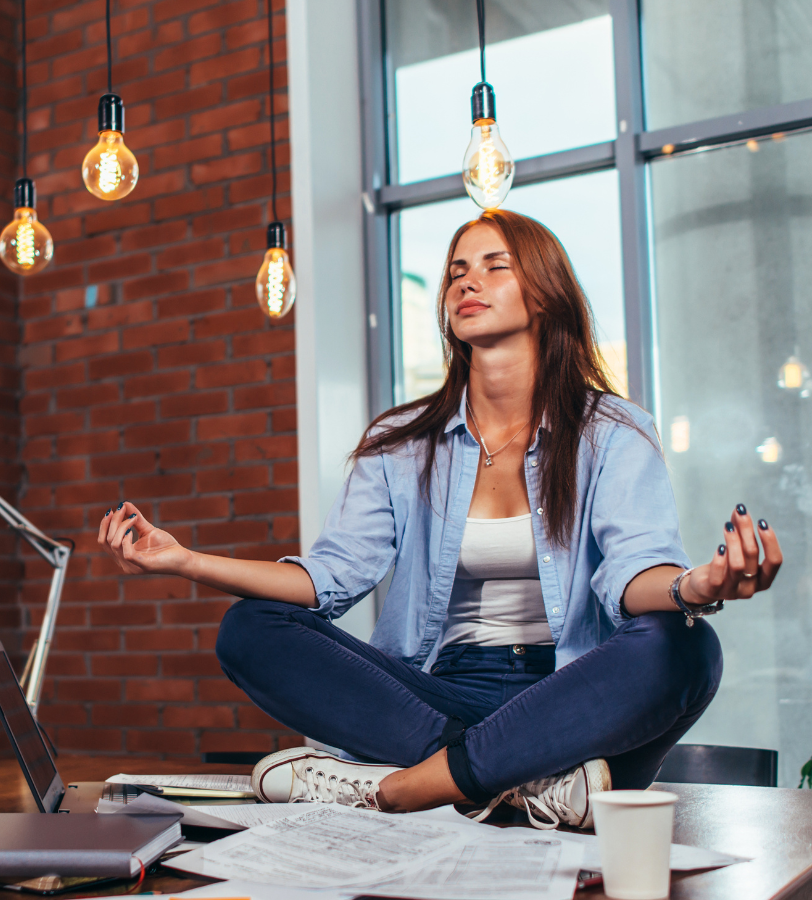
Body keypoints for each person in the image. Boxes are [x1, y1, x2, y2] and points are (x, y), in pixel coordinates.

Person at [98, 209, 782, 828]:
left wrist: (697, 587)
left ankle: (401, 789)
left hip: (570, 695)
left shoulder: (612, 431)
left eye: (493, 266)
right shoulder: (401, 443)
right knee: (250, 626)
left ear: (543, 293)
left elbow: (635, 574)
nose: (466, 283)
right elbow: (328, 579)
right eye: (456, 271)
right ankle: (528, 784)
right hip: (435, 695)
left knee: (687, 646)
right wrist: (184, 561)